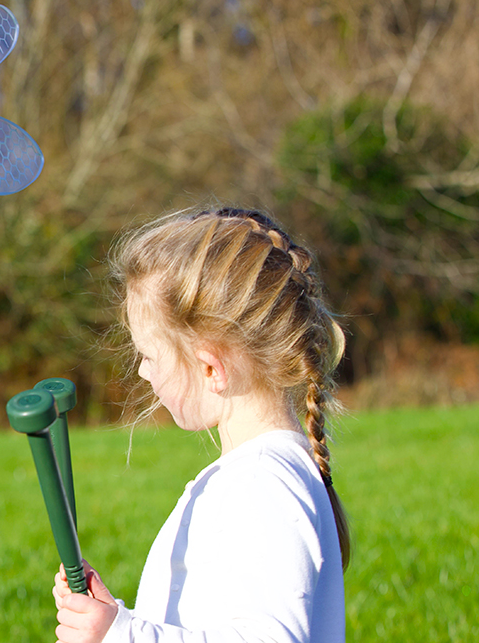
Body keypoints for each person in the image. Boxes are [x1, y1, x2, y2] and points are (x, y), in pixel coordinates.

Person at [52, 207, 351, 643]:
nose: (142, 373)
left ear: (211, 368)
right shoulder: (260, 475)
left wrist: (122, 635)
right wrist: (115, 619)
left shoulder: (263, 484)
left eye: (149, 356)